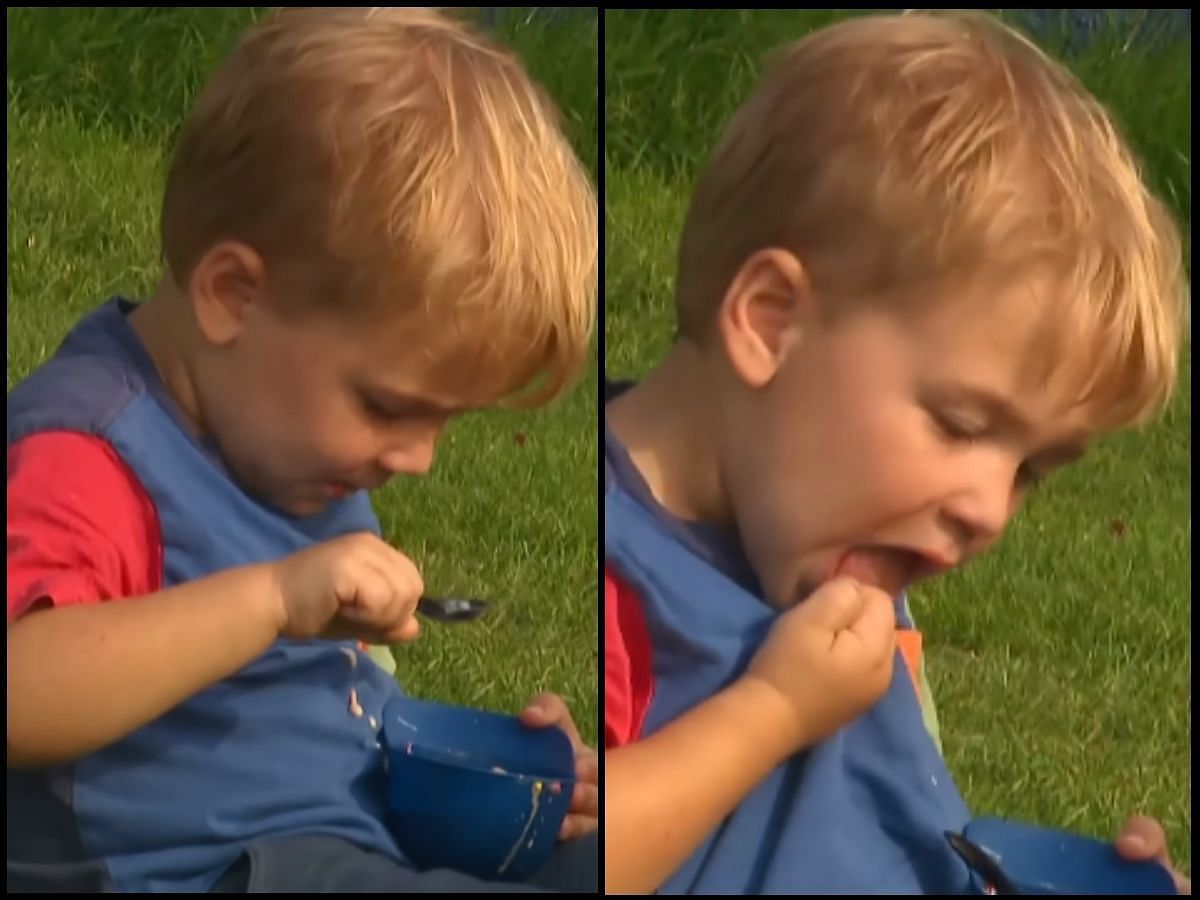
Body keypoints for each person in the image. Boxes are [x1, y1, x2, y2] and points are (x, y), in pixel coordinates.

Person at [7, 7, 598, 893]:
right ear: (235, 297)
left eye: (444, 421)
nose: (416, 459)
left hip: (325, 847)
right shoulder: (92, 454)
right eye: (387, 405)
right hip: (198, 870)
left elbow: (307, 708)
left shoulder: (284, 446)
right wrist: (272, 597)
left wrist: (477, 771)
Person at [603, 10, 1189, 894]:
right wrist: (771, 711)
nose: (990, 509)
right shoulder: (614, 576)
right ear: (773, 321)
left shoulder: (842, 548)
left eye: (1029, 470)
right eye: (958, 424)